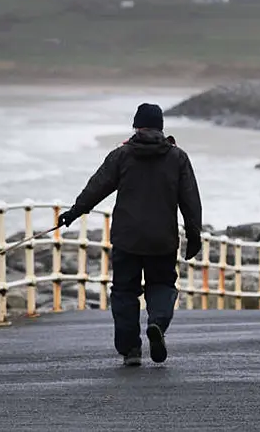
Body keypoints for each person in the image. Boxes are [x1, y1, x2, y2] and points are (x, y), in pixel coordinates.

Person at [58, 103, 202, 366]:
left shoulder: (122, 155)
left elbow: (97, 187)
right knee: (162, 286)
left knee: (124, 292)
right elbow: (190, 201)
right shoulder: (177, 158)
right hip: (162, 239)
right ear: (160, 127)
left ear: (136, 126)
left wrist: (74, 212)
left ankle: (131, 351)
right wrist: (194, 236)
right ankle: (156, 324)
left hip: (127, 239)